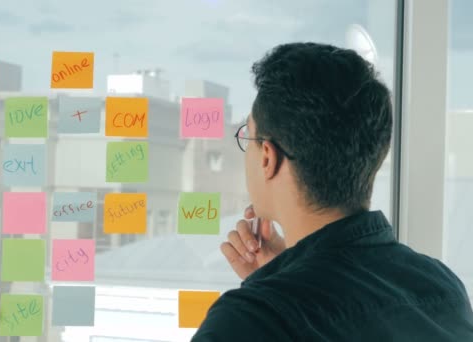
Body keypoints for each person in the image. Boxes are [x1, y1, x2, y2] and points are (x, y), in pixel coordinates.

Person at [191, 43, 473, 341]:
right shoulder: (442, 288)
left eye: (248, 135)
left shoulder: (250, 321)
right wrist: (283, 274)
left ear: (267, 158)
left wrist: (274, 291)